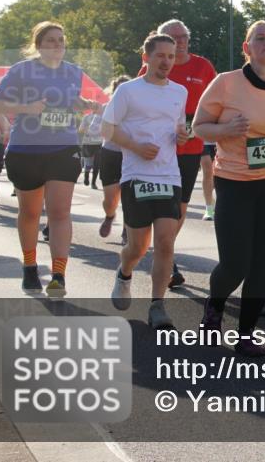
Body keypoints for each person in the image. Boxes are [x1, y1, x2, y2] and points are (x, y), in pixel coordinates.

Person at [193, 20, 265, 357]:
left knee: (263, 262)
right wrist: (227, 127)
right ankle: (213, 312)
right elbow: (199, 128)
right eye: (260, 38)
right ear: (247, 48)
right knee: (235, 263)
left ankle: (246, 333)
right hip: (234, 182)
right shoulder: (225, 83)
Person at [0, 21, 101, 296]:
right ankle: (29, 267)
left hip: (63, 148)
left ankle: (58, 276)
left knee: (59, 212)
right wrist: (26, 107)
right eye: (51, 40)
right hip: (25, 150)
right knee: (29, 212)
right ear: (38, 45)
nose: (58, 45)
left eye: (61, 40)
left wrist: (81, 105)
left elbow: (68, 102)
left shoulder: (74, 72)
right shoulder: (21, 71)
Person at [105, 34, 189, 329]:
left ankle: (157, 305)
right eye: (160, 55)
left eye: (171, 55)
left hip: (169, 174)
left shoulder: (180, 91)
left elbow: (178, 126)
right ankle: (125, 272)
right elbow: (107, 128)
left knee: (166, 242)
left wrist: (183, 134)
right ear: (147, 57)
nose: (166, 61)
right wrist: (136, 146)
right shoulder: (128, 91)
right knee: (138, 247)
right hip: (136, 175)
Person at [139, 20, 217, 288]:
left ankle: (164, 249)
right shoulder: (154, 65)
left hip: (190, 146)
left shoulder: (203, 66)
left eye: (184, 37)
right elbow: (139, 99)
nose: (181, 41)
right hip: (157, 148)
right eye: (175, 37)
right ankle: (165, 256)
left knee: (180, 207)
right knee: (161, 206)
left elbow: (217, 98)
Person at [98, 76, 131, 242]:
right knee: (110, 200)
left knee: (129, 196)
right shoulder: (107, 107)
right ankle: (110, 215)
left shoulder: (138, 108)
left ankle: (127, 229)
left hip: (131, 154)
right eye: (119, 89)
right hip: (110, 153)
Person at [79, 107, 104, 188]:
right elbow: (81, 129)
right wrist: (89, 131)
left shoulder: (103, 117)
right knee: (88, 163)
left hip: (99, 143)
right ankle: (86, 176)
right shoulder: (86, 117)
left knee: (97, 163)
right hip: (88, 143)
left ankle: (93, 183)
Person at [200, 139, 216, 220]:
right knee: (207, 170)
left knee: (218, 173)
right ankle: (209, 209)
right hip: (203, 140)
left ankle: (212, 200)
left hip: (222, 140)